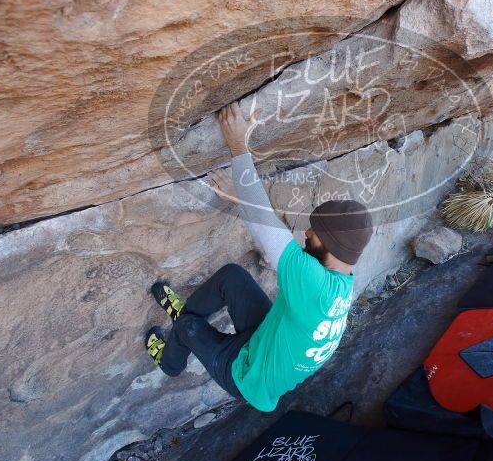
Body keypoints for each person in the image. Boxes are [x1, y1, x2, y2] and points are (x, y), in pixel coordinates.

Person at [144, 101, 373, 412]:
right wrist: (242, 196)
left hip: (247, 377)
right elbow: (273, 230)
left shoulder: (313, 284)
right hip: (266, 340)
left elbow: (267, 224)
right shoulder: (339, 278)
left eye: (314, 233)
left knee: (187, 330)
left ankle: (170, 361)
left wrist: (238, 143)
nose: (305, 233)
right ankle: (186, 316)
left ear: (330, 247)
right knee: (232, 278)